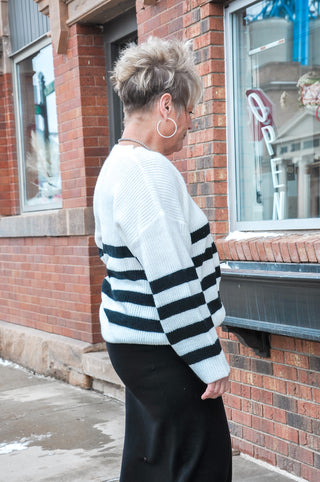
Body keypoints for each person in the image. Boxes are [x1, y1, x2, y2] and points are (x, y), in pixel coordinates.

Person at [93, 36, 232, 482]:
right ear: (167, 107)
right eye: (190, 110)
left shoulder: (118, 164)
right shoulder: (147, 172)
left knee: (152, 458)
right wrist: (209, 360)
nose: (192, 122)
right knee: (201, 464)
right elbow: (172, 281)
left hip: (137, 342)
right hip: (163, 348)